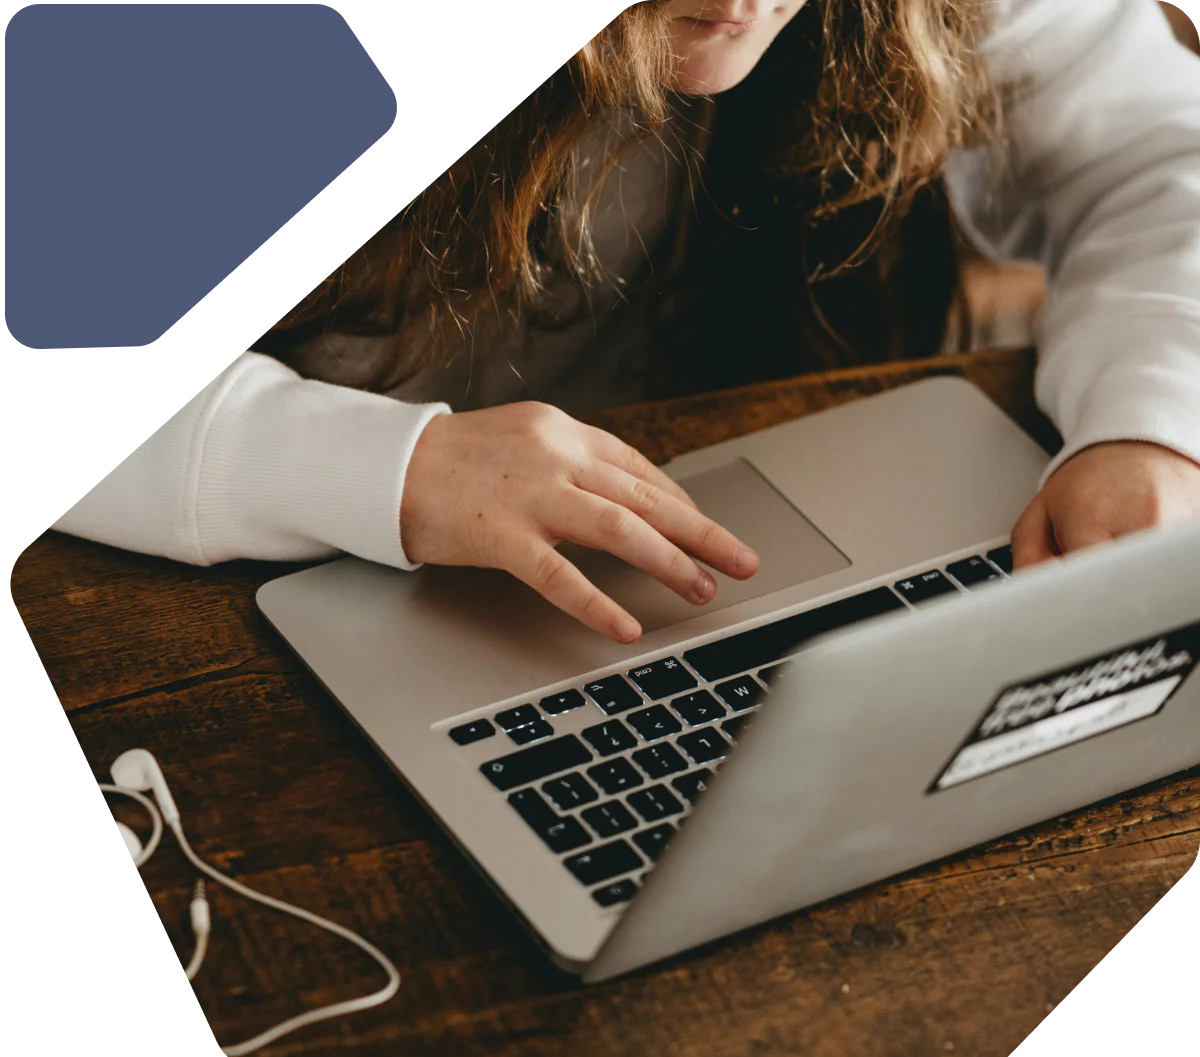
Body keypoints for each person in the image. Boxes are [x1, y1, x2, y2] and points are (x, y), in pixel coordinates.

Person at [52, 0, 1200, 646]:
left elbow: (1157, 150)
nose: (743, 6)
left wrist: (1154, 421)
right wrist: (393, 471)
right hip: (297, 599)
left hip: (793, 518)